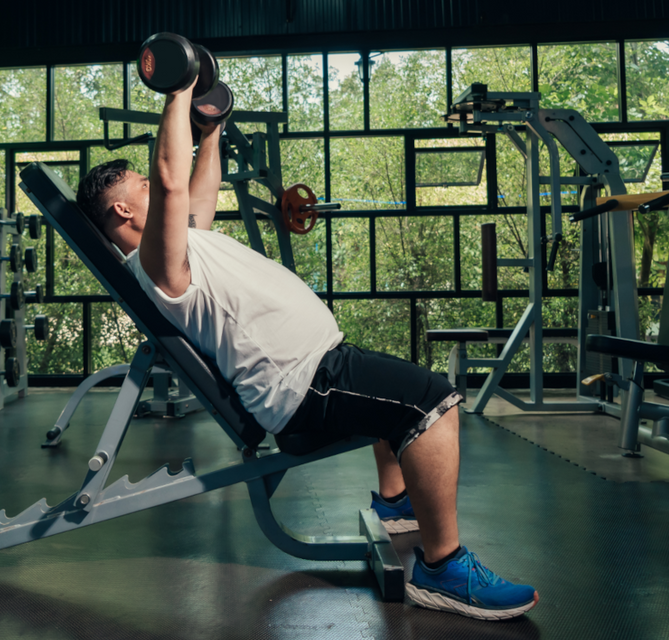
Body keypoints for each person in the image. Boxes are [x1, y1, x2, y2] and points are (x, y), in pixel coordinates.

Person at [75, 81, 538, 621]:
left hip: (317, 365)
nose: (158, 187)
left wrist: (212, 131)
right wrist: (177, 90)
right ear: (126, 209)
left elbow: (198, 188)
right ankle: (443, 569)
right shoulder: (154, 266)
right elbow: (173, 181)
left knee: (400, 381)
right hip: (302, 384)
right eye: (144, 184)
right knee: (433, 401)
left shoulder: (181, 243)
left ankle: (395, 503)